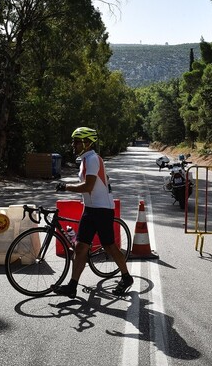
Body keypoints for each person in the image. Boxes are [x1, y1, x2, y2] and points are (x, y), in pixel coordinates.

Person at [52, 127, 133, 298]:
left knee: (109, 246)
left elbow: (88, 186)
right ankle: (72, 286)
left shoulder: (93, 159)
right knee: (81, 247)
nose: (73, 144)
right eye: (73, 141)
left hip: (102, 209)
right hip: (90, 209)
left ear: (87, 143)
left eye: (77, 141)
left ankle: (126, 277)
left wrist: (66, 187)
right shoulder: (84, 160)